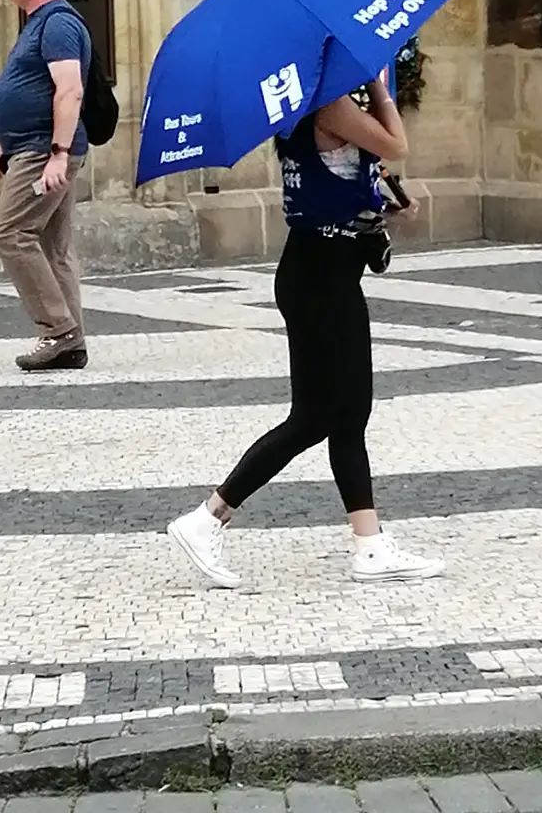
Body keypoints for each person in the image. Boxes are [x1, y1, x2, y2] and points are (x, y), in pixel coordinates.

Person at [168, 76, 444, 587]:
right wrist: (381, 90)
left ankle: (369, 545)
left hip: (322, 273)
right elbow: (397, 145)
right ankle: (207, 518)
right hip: (320, 280)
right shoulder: (330, 105)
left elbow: (332, 190)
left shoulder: (311, 106)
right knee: (316, 417)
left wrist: (386, 211)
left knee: (348, 415)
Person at [0, 0, 91, 372]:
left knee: (12, 234)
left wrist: (58, 154)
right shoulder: (40, 23)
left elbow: (70, 91)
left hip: (45, 150)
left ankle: (59, 330)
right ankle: (70, 342)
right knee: (53, 247)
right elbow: (37, 90)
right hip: (31, 146)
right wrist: (6, 144)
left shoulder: (58, 24)